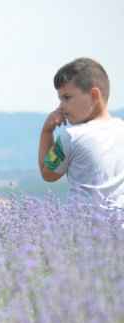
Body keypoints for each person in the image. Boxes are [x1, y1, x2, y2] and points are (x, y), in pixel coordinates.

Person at [39, 57, 124, 209]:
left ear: (94, 96)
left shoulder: (71, 136)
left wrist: (47, 131)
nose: (61, 106)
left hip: (84, 228)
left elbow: (48, 173)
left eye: (67, 98)